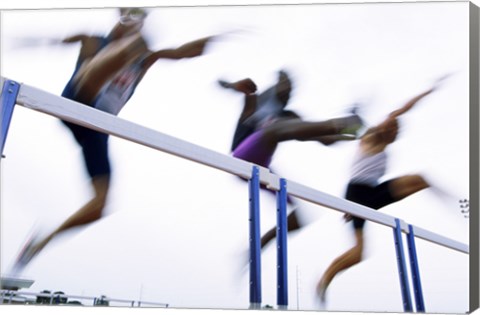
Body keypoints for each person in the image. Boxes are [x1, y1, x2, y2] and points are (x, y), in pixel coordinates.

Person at [11, 7, 215, 273]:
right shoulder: (93, 40)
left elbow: (182, 53)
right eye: (129, 19)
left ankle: (41, 243)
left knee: (100, 206)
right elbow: (56, 41)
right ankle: (119, 50)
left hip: (96, 129)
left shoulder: (145, 58)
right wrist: (29, 41)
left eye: (137, 22)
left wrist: (218, 38)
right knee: (119, 54)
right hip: (78, 100)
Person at [315, 80, 446, 304]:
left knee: (421, 180)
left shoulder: (385, 146)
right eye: (392, 128)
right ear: (387, 127)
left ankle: (456, 203)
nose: (393, 132)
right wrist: (429, 90)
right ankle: (325, 280)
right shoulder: (374, 134)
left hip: (372, 193)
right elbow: (403, 108)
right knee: (358, 252)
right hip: (357, 192)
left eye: (396, 132)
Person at [219, 71, 362, 250]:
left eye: (291, 89)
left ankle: (260, 244)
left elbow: (325, 139)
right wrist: (234, 85)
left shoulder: (290, 116)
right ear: (276, 86)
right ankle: (340, 123)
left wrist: (350, 135)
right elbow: (226, 85)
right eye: (284, 85)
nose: (288, 91)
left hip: (261, 168)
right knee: (274, 130)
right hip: (241, 158)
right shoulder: (259, 104)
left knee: (299, 217)